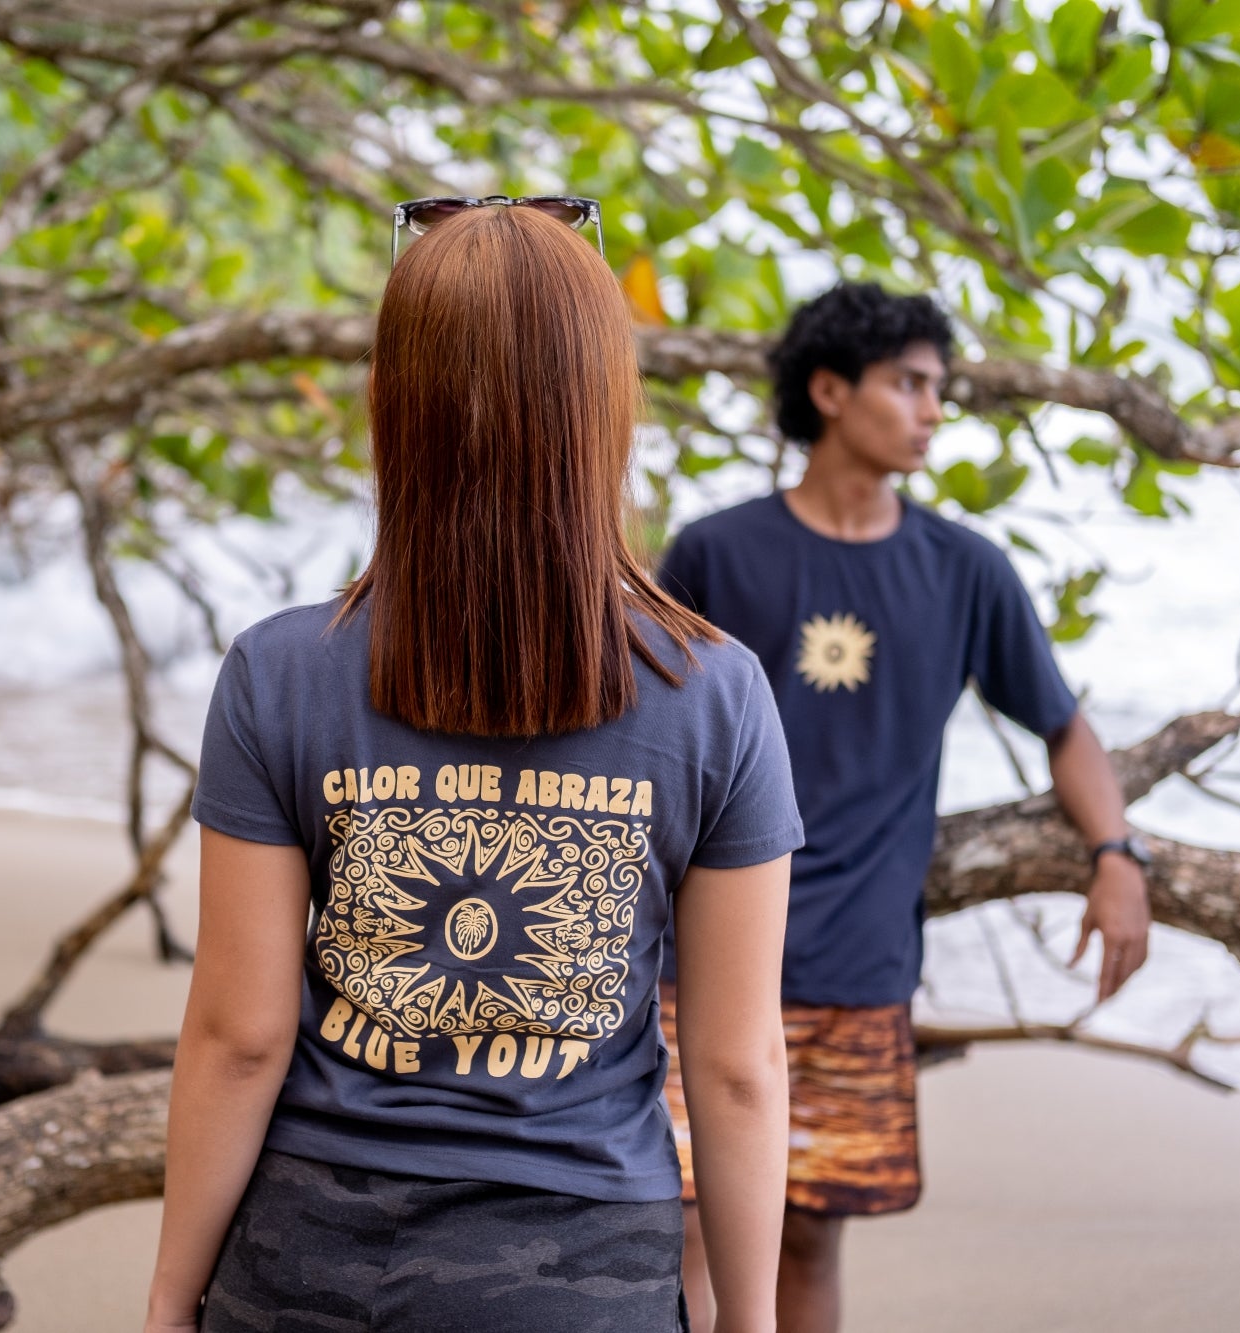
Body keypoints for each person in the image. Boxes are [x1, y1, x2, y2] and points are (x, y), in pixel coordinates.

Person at [144, 198, 804, 1333]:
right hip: (583, 1274)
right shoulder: (721, 693)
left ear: (394, 406)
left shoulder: (276, 672)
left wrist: (167, 1302)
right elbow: (736, 1067)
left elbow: (239, 1037)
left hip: (308, 1266)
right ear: (603, 409)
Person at [656, 281, 1153, 1333]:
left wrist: (1116, 854)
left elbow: (1060, 727)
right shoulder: (713, 551)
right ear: (829, 389)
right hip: (695, 955)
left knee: (807, 1232)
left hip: (858, 957)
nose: (932, 409)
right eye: (909, 384)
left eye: (939, 388)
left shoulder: (963, 570)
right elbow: (643, 736)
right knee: (684, 1223)